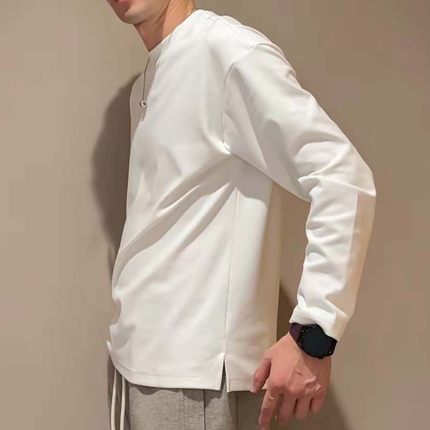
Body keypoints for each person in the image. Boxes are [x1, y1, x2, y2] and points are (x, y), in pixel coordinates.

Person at [104, 1, 377, 429]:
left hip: (193, 377)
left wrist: (314, 335)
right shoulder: (152, 76)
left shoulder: (227, 52)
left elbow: (342, 178)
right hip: (140, 361)